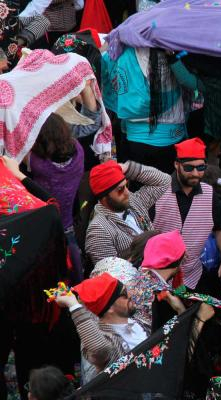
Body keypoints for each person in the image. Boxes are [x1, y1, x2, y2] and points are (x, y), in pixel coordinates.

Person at [152, 137, 221, 291]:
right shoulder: (158, 192)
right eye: (189, 168)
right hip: (158, 277)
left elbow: (220, 228)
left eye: (201, 167)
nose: (196, 173)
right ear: (176, 165)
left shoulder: (209, 194)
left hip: (193, 276)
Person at [101, 47, 202, 173]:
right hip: (169, 137)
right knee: (166, 187)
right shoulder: (173, 54)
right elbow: (192, 83)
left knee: (139, 188)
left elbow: (108, 78)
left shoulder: (120, 54)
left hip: (134, 137)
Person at [27, 113, 85, 282]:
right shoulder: (79, 152)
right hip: (68, 222)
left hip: (44, 226)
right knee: (73, 268)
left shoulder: (38, 163)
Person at [54, 273, 147, 372]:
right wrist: (73, 305)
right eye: (124, 293)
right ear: (110, 308)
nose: (130, 294)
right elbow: (99, 349)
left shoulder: (138, 321)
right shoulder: (103, 337)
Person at [84, 160, 170, 264]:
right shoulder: (99, 231)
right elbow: (111, 275)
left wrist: (128, 168)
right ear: (103, 197)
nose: (127, 193)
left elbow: (164, 181)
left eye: (126, 185)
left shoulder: (133, 201)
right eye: (120, 189)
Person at [127, 230, 187, 334]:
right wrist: (181, 310)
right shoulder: (163, 296)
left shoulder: (140, 272)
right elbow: (173, 337)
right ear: (177, 262)